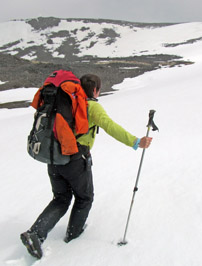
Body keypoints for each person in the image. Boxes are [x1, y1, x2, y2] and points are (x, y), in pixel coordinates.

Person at [20, 74, 152, 259]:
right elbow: (109, 126)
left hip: (54, 158)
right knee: (84, 198)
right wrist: (136, 142)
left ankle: (36, 233)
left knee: (61, 198)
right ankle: (73, 238)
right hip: (75, 160)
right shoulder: (92, 106)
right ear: (96, 90)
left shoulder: (69, 102)